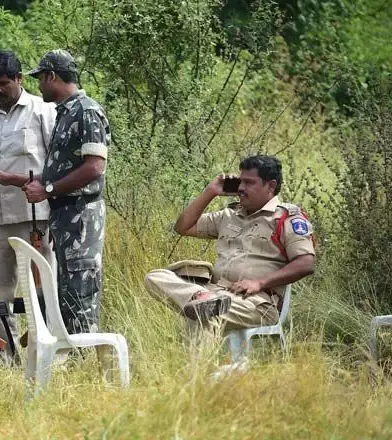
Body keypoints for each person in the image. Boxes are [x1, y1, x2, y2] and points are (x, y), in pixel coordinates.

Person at [144, 155, 315, 329]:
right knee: (155, 277)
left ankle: (203, 307)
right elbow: (183, 227)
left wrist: (259, 283)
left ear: (270, 186)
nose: (241, 188)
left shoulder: (286, 218)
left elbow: (305, 264)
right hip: (216, 291)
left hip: (256, 302)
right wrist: (210, 191)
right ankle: (201, 297)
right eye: (240, 182)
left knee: (207, 313)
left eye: (249, 183)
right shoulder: (229, 215)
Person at [0, 49, 56, 361]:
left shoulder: (42, 111)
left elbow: (54, 166)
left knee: (41, 288)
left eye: (4, 83)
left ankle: (46, 353)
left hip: (34, 217)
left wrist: (18, 180)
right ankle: (3, 359)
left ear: (20, 79)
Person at [22, 50, 112, 335]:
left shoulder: (86, 111)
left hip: (82, 214)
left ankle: (84, 359)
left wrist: (48, 190)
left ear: (52, 76)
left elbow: (94, 167)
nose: (38, 85)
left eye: (40, 78)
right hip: (66, 215)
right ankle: (75, 357)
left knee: (80, 290)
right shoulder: (65, 112)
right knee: (68, 291)